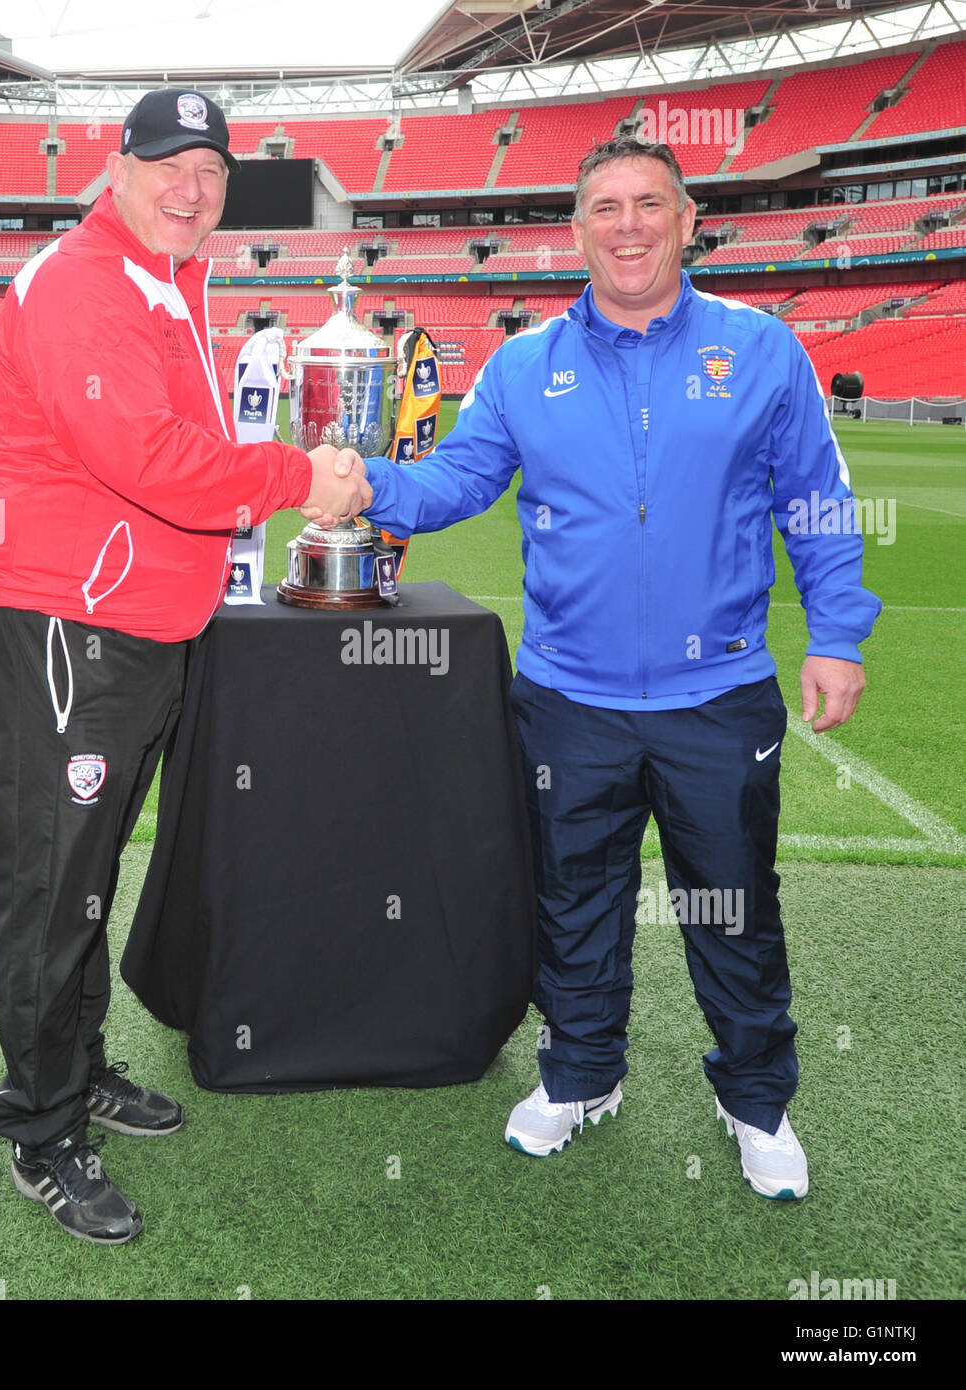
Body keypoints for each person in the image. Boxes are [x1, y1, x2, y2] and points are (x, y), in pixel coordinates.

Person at [354, 136, 881, 1200]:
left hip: (718, 696)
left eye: (649, 204)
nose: (627, 224)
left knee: (730, 904)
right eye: (605, 207)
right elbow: (455, 481)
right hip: (568, 700)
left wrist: (835, 633)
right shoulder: (521, 364)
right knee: (574, 903)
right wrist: (355, 482)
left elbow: (815, 499)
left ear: (688, 221)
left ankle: (755, 1098)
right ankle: (583, 1073)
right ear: (577, 228)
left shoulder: (763, 347)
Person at [0, 89, 370, 1245]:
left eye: (212, 172)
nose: (191, 189)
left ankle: (74, 1070)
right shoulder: (85, 280)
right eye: (168, 165)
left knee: (83, 871)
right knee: (50, 882)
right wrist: (297, 478)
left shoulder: (169, 282)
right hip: (58, 623)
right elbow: (146, 457)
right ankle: (40, 1128)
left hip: (128, 624)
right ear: (117, 166)